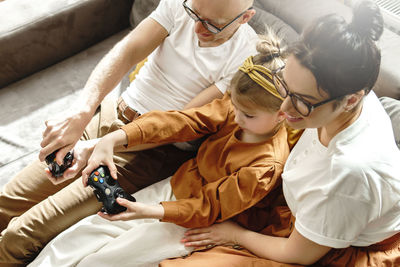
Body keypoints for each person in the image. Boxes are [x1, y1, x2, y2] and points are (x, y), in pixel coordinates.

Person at [0, 0, 258, 264]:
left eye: (212, 25)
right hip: (110, 116)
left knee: (22, 234)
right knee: (5, 203)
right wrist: (82, 112)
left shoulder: (247, 58)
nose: (197, 27)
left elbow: (178, 123)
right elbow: (126, 53)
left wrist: (105, 143)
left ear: (245, 18)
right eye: (195, 14)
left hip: (148, 151)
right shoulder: (179, 5)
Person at [159, 1, 400, 266]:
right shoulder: (347, 87)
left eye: (301, 100)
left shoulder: (347, 174)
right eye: (285, 86)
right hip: (303, 214)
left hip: (326, 248)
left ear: (351, 100)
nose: (283, 109)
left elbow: (299, 254)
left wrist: (235, 235)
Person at [29, 34, 292, 266]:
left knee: (102, 261)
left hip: (200, 222)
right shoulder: (235, 107)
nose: (235, 116)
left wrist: (149, 211)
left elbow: (207, 207)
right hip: (177, 185)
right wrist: (113, 139)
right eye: (233, 104)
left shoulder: (266, 166)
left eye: (246, 114)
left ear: (282, 115)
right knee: (74, 240)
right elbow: (183, 120)